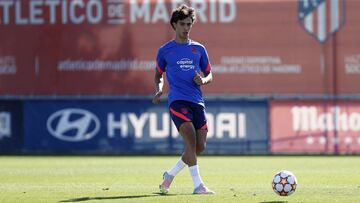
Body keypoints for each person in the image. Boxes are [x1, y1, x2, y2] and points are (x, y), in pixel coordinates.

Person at [152, 4, 214, 195]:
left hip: (197, 101)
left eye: (189, 24)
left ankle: (169, 175)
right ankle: (198, 185)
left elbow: (210, 75)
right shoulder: (165, 50)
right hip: (178, 101)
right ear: (174, 25)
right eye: (183, 24)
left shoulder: (199, 49)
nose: (186, 28)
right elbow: (158, 74)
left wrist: (202, 80)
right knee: (190, 138)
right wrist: (159, 89)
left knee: (198, 147)